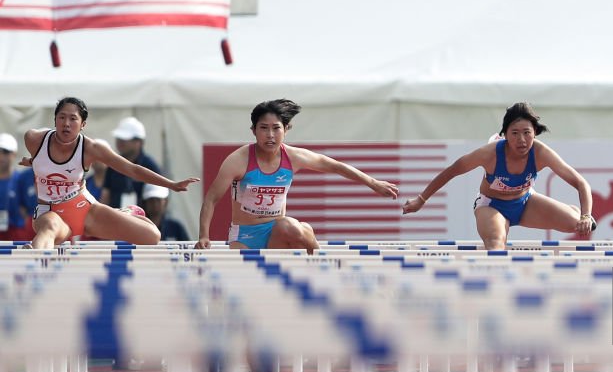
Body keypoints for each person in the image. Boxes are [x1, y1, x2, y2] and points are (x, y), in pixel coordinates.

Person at [196, 99, 399, 254]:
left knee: (288, 226)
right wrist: (204, 235)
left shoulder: (293, 157)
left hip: (277, 229)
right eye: (264, 129)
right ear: (254, 131)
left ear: (286, 130)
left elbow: (335, 166)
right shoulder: (238, 160)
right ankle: (305, 233)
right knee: (253, 282)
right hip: (244, 234)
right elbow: (211, 199)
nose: (270, 135)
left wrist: (373, 183)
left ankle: (319, 259)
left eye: (276, 128)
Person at [402, 102, 595, 250]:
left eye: (527, 133)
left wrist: (586, 215)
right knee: (496, 243)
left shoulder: (541, 152)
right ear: (505, 135)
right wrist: (421, 199)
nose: (521, 140)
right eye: (515, 133)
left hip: (525, 202)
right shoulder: (490, 153)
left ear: (535, 133)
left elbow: (580, 182)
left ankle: (575, 211)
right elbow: (452, 170)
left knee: (576, 224)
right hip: (491, 206)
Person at [22, 97, 199, 249]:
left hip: (84, 210)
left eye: (73, 119)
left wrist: (171, 184)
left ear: (83, 125)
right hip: (50, 211)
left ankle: (126, 212)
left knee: (152, 236)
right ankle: (32, 258)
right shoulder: (34, 139)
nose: (66, 124)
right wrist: (32, 161)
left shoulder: (92, 148)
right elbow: (46, 161)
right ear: (54, 120)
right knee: (50, 227)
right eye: (61, 117)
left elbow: (131, 169)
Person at [102, 116, 162, 209]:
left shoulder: (150, 166)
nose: (119, 142)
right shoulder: (113, 165)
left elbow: (158, 201)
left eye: (125, 138)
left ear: (139, 142)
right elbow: (106, 195)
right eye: (118, 138)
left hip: (142, 220)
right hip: (116, 219)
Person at [0, 133, 29, 241]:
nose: (1, 156)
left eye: (6, 152)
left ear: (14, 154)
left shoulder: (21, 179)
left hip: (17, 235)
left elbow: (28, 211)